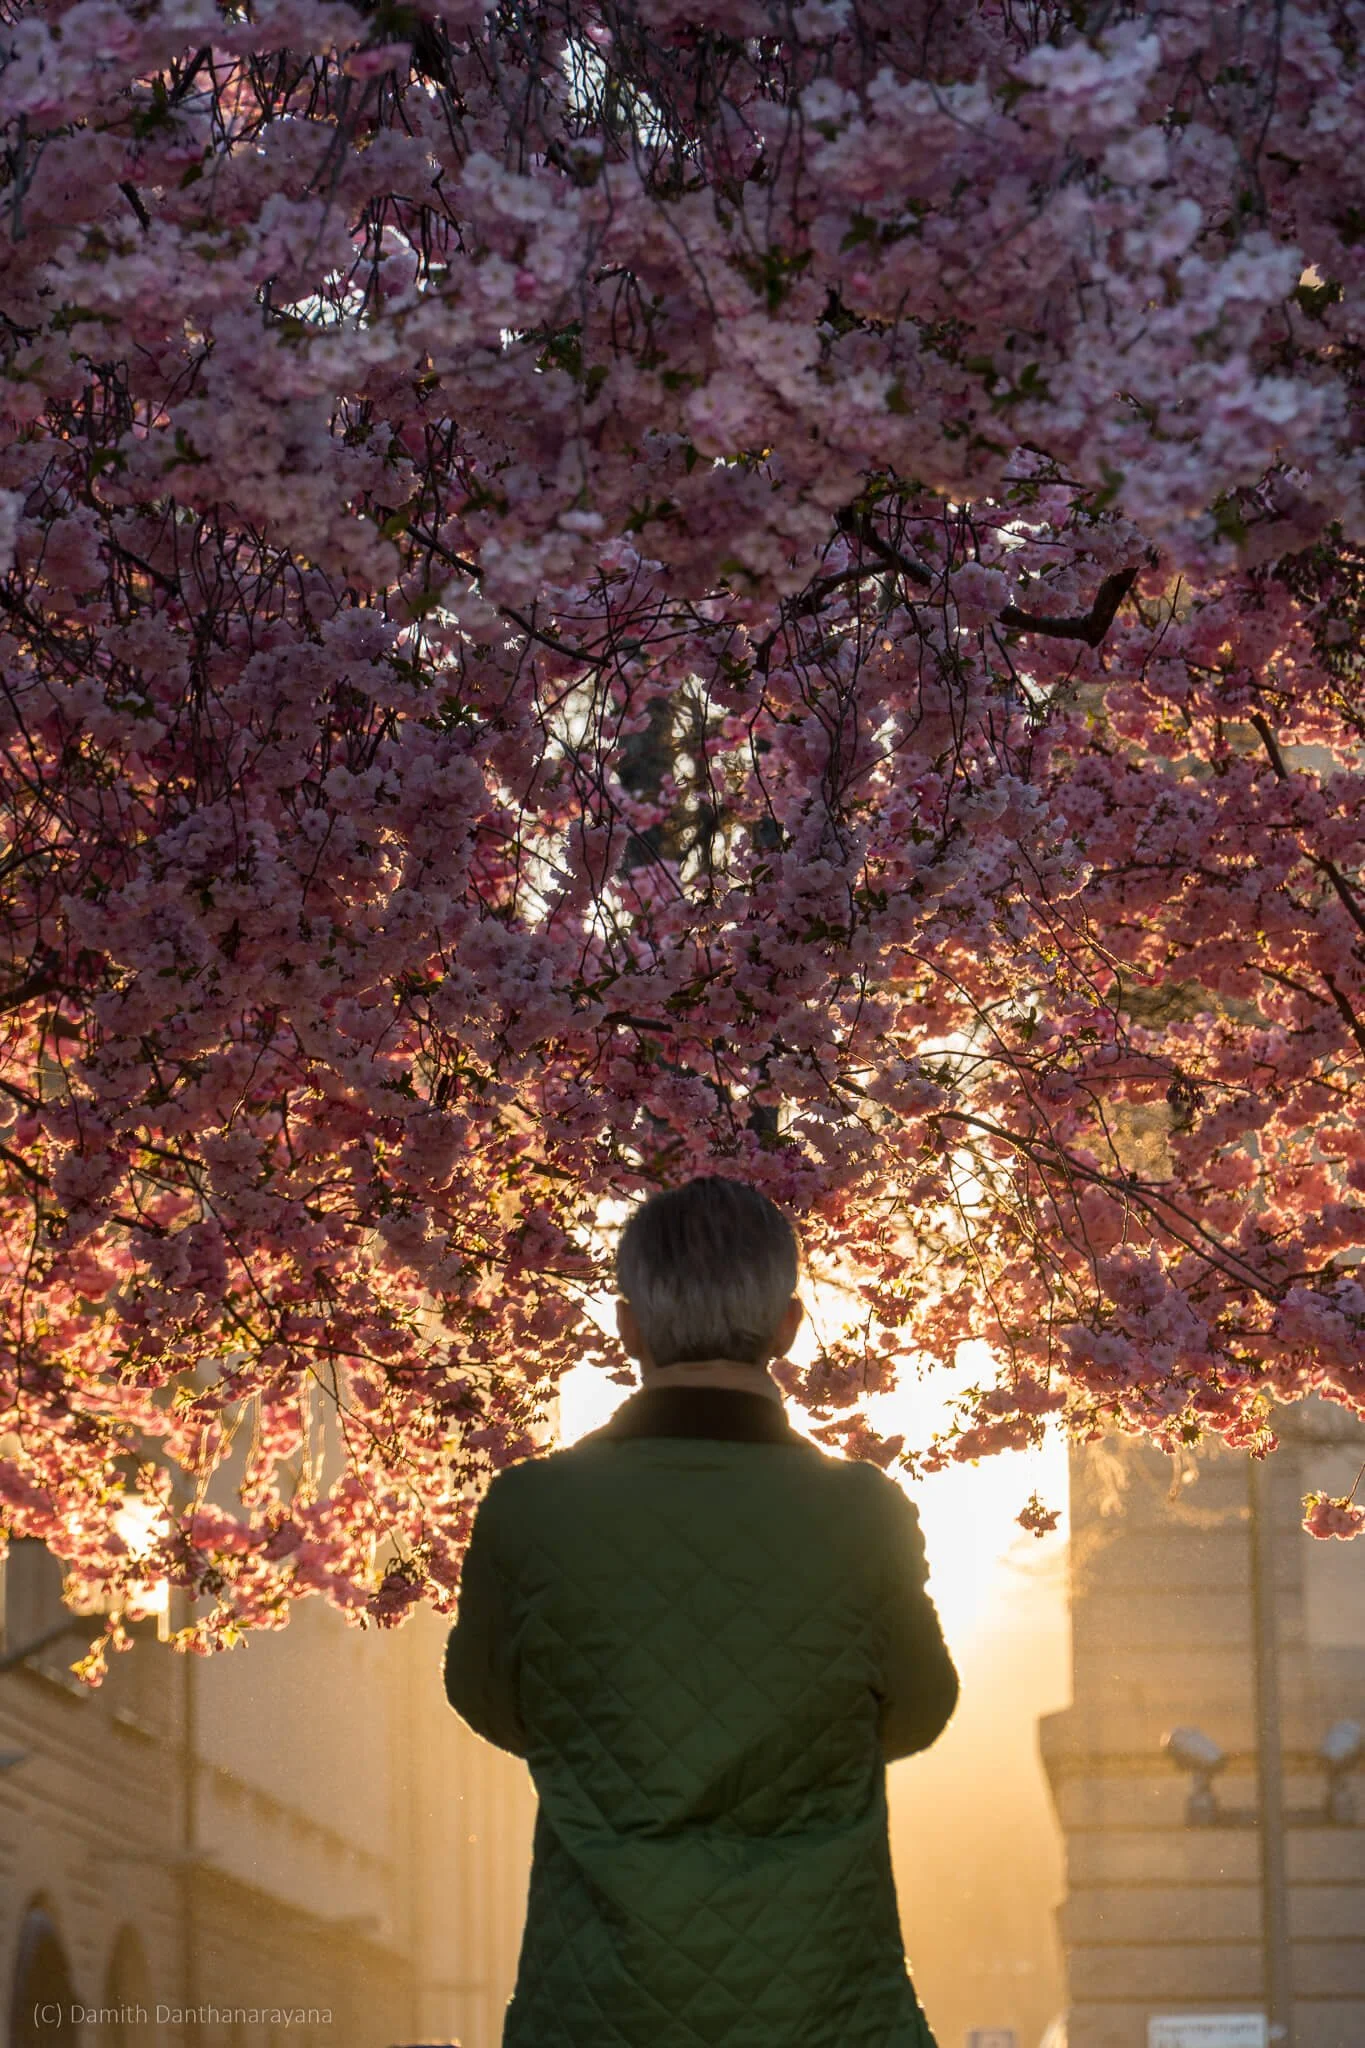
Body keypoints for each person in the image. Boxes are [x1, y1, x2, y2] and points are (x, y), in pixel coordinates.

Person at [443, 1175, 959, 2047]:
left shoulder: (532, 1508)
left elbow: (489, 1701)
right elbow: (918, 1710)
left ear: (628, 1327)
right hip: (826, 2007)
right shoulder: (860, 1510)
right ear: (788, 1327)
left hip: (595, 2007)